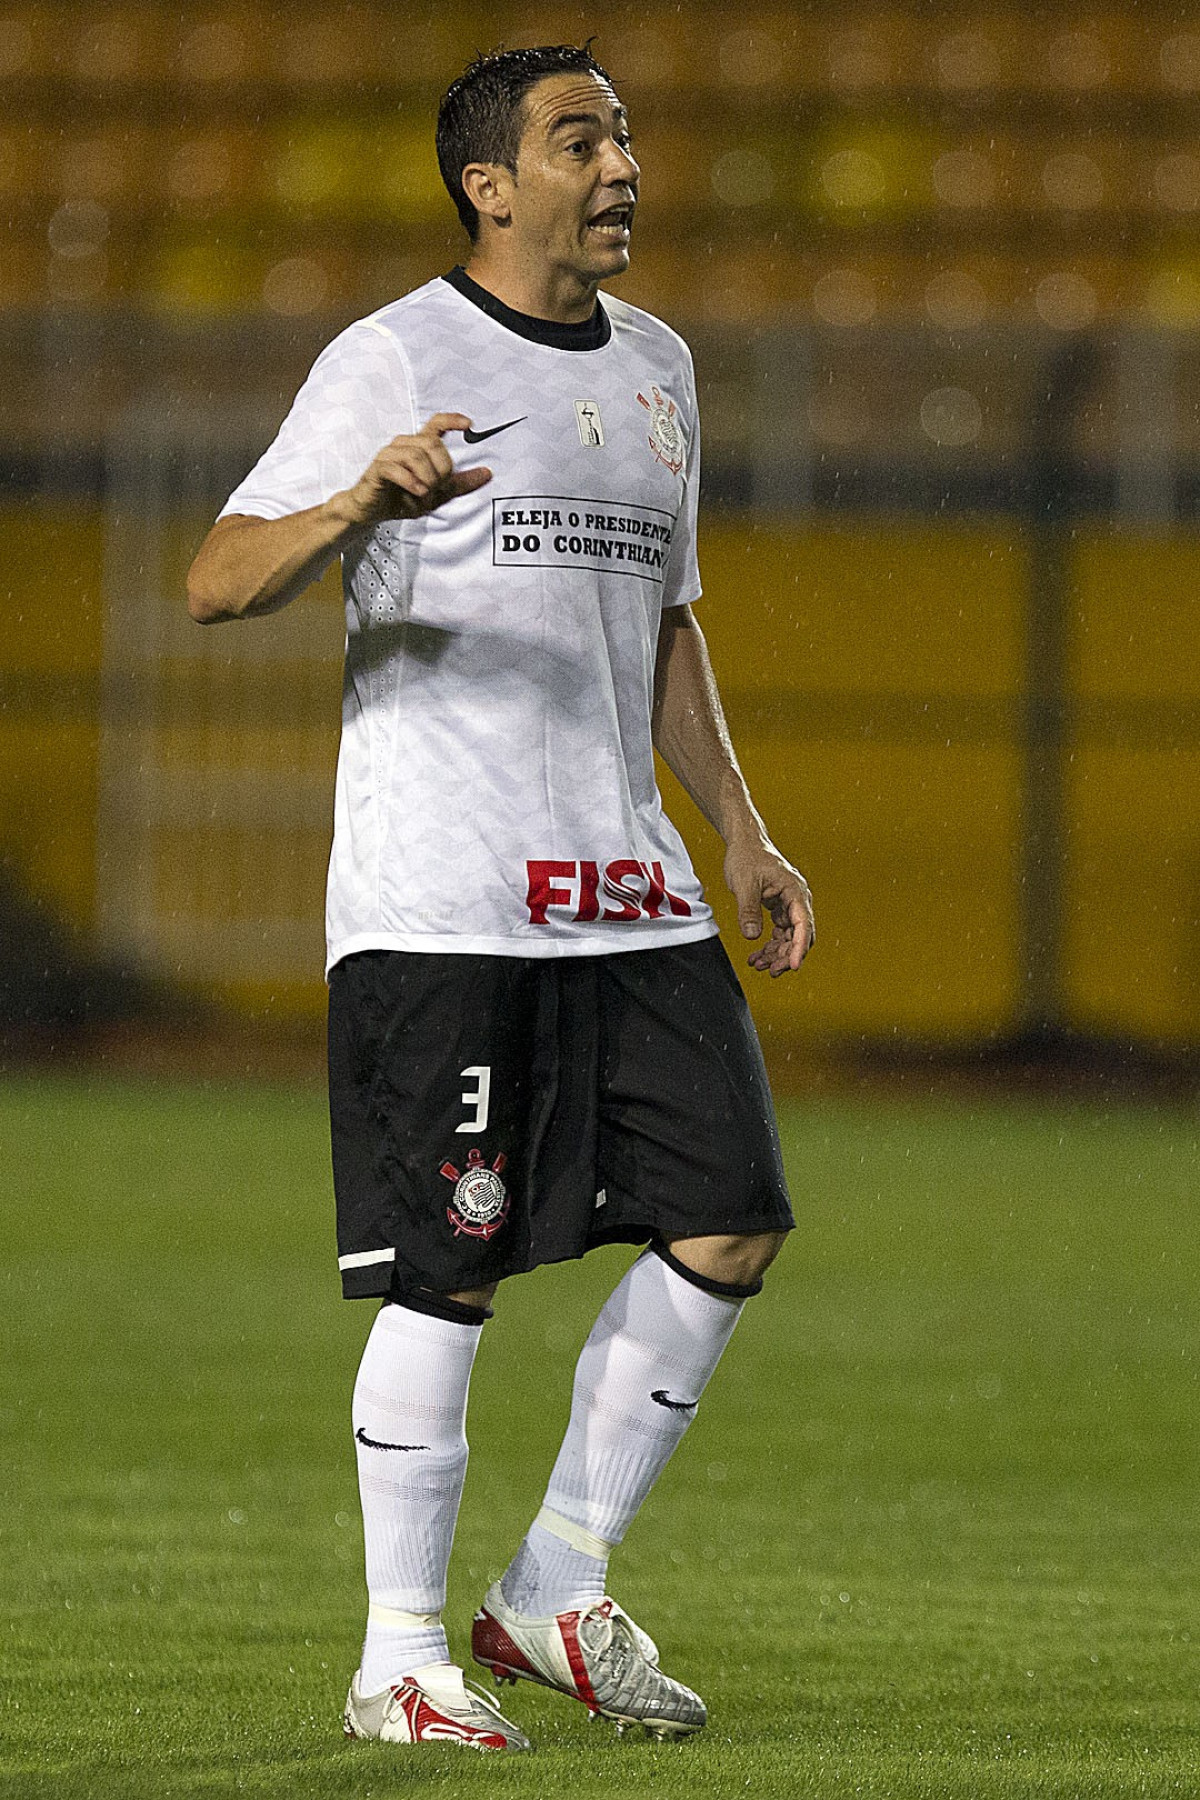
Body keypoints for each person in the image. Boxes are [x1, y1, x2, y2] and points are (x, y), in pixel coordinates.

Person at [187, 42, 814, 1755]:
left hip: (631, 890)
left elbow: (670, 619)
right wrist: (355, 497)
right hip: (447, 896)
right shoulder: (393, 353)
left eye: (624, 134)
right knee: (447, 1270)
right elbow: (218, 574)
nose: (622, 164)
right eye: (580, 137)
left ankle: (551, 1583)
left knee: (735, 1214)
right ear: (490, 182)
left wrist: (740, 833)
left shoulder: (664, 367)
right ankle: (399, 1657)